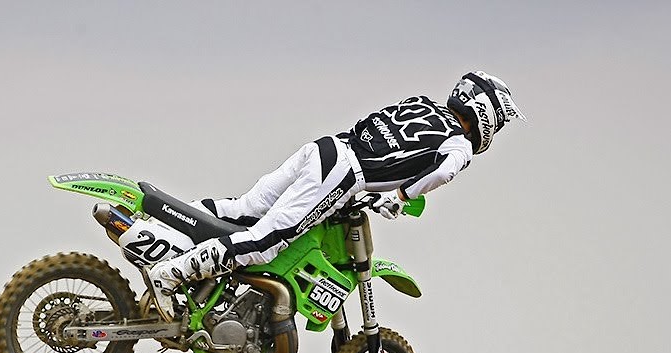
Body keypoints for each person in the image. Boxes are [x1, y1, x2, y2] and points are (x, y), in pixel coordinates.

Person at [142, 71, 525, 321]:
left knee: (245, 209)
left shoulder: (421, 103)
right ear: (485, 112)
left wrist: (378, 186)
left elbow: (381, 137)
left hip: (327, 148)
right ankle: (171, 275)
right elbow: (443, 172)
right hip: (344, 172)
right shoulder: (460, 144)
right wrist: (401, 195)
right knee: (266, 242)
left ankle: (158, 231)